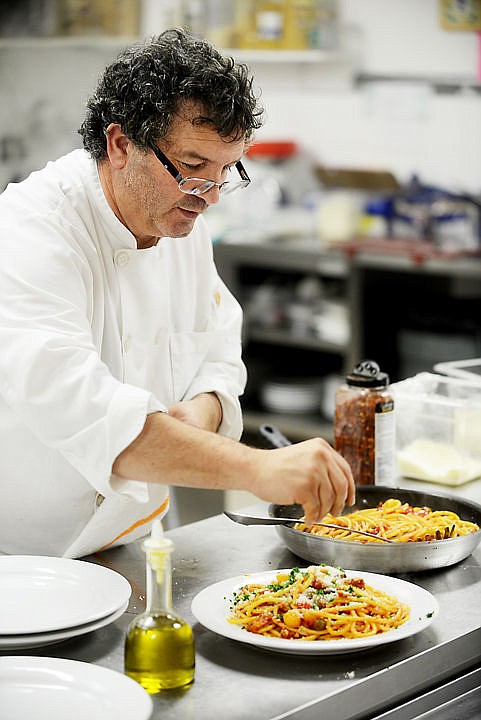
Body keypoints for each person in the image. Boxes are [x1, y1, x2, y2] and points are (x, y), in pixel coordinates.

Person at [0, 28, 355, 558]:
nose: (208, 197)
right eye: (192, 169)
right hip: (25, 559)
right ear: (121, 145)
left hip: (134, 542)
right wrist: (257, 468)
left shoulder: (181, 223)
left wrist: (205, 410)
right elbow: (86, 411)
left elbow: (216, 349)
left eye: (224, 172)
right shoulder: (31, 232)